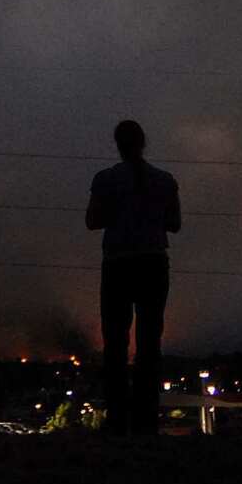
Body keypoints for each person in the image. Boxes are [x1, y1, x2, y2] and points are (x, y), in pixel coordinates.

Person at [86, 120, 181, 436]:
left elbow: (92, 220)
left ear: (117, 143)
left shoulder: (106, 180)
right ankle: (146, 420)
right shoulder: (164, 181)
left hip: (118, 263)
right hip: (154, 262)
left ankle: (117, 419)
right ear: (144, 142)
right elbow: (175, 223)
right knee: (150, 340)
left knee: (115, 340)